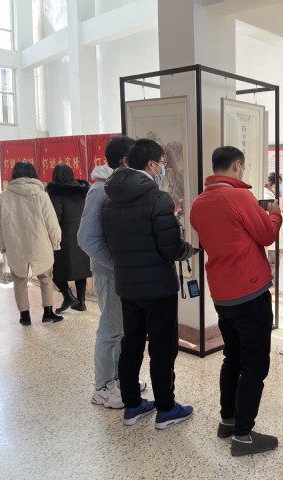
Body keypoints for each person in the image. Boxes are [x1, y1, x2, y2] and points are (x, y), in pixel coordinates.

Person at [190, 146, 282, 457]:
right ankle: (243, 435)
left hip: (221, 293)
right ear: (237, 166)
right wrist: (275, 213)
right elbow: (266, 235)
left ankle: (227, 421)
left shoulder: (199, 202)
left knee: (233, 357)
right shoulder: (239, 196)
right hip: (250, 292)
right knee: (255, 364)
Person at [101, 139, 195, 429]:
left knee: (131, 343)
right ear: (151, 164)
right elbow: (171, 247)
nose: (163, 168)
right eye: (162, 163)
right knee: (162, 348)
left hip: (127, 285)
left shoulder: (109, 198)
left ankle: (132, 405)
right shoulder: (158, 199)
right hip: (158, 288)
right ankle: (166, 408)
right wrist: (188, 250)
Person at [78, 135, 147, 409]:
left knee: (123, 329)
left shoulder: (119, 187)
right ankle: (102, 386)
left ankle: (120, 379)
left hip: (122, 271)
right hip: (109, 272)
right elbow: (86, 238)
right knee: (110, 329)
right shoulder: (100, 190)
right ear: (125, 160)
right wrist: (115, 262)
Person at [0, 161, 63, 325]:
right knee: (46, 278)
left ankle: (24, 316)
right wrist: (56, 242)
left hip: (15, 246)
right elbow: (51, 222)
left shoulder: (2, 197)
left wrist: (2, 245)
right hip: (40, 244)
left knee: (19, 280)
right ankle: (48, 312)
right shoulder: (41, 195)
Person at [46, 164, 92, 312]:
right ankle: (81, 302)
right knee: (81, 269)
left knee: (54, 269)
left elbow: (55, 218)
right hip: (82, 234)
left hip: (64, 237)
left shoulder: (56, 194)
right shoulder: (83, 192)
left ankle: (68, 296)